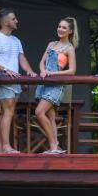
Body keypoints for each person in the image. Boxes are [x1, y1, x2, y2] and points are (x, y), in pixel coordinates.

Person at [0, 8, 36, 153]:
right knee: (8, 111)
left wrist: (29, 71)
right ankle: (6, 146)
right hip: (2, 80)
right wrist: (4, 70)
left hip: (13, 82)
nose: (16, 21)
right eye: (13, 19)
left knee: (7, 112)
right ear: (5, 21)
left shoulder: (15, 40)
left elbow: (21, 58)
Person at [34, 17, 78, 154]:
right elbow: (42, 62)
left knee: (39, 112)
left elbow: (72, 71)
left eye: (64, 27)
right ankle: (55, 148)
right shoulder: (51, 44)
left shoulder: (69, 48)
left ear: (70, 31)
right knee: (51, 116)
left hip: (56, 85)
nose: (60, 29)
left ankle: (53, 144)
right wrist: (42, 71)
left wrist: (51, 74)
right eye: (59, 26)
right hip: (44, 84)